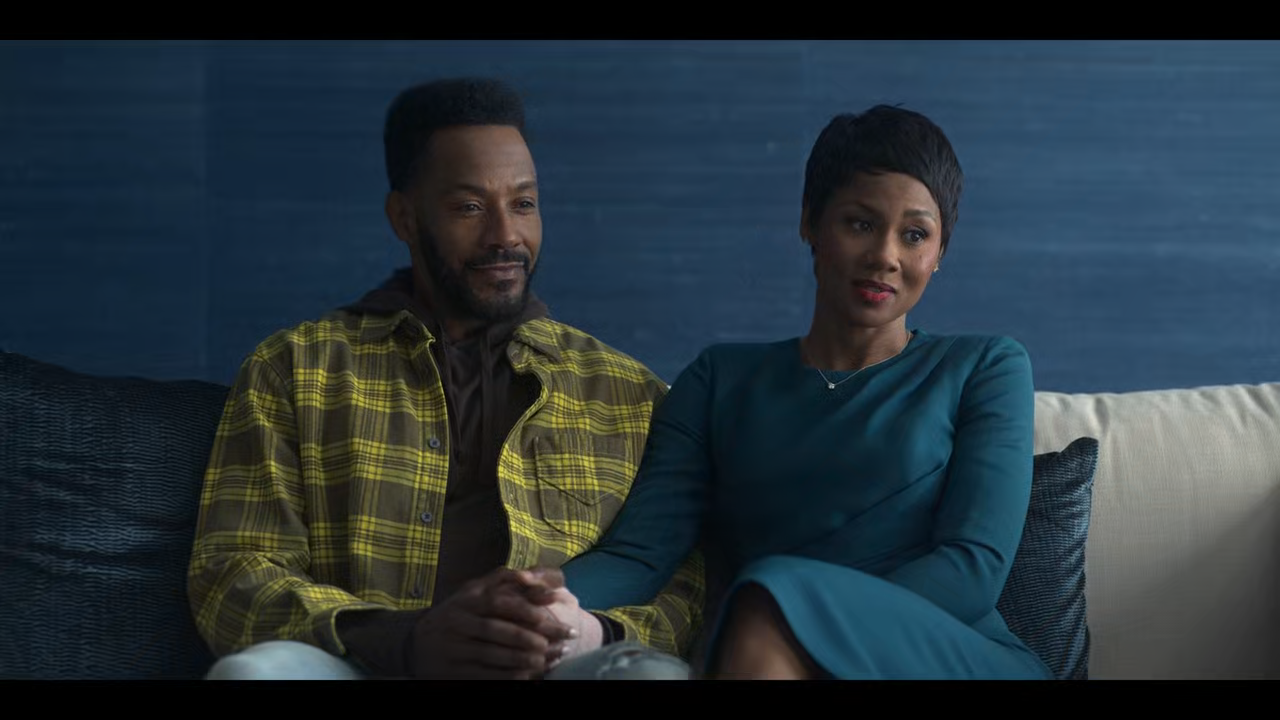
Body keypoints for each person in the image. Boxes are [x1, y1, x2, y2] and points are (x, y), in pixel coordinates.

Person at [187, 77, 704, 680]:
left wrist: (593, 631)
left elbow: (689, 587)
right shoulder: (296, 368)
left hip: (558, 668)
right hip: (363, 663)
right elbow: (233, 571)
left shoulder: (631, 394)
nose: (505, 235)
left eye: (523, 203)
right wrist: (406, 639)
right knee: (255, 674)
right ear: (405, 217)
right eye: (469, 207)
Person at [555, 104, 1055, 680]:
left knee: (769, 596)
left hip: (939, 653)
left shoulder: (984, 367)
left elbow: (972, 569)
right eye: (860, 224)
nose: (885, 256)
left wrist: (803, 617)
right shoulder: (719, 379)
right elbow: (639, 556)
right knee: (764, 604)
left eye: (915, 235)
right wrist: (539, 594)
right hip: (765, 646)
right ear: (810, 223)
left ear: (939, 253)